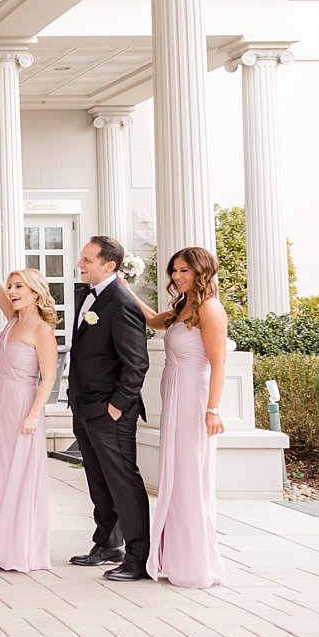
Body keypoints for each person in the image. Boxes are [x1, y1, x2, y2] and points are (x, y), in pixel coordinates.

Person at [134, 246, 228, 588]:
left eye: (184, 271)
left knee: (190, 477)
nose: (176, 276)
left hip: (194, 397)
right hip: (174, 394)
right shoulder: (181, 306)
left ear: (200, 271)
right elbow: (151, 320)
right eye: (174, 270)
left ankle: (195, 563)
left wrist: (213, 409)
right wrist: (123, 287)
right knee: (174, 476)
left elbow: (218, 364)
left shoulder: (209, 309)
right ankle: (174, 557)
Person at [66, 235, 152, 582]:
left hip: (109, 411)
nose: (80, 264)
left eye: (87, 259)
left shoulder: (121, 302)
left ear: (109, 265)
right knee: (98, 479)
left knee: (123, 481)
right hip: (84, 406)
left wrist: (116, 407)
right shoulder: (88, 296)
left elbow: (136, 364)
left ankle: (138, 557)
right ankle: (107, 543)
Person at [0, 222, 58, 572]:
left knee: (19, 474)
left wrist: (33, 414)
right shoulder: (11, 319)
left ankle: (17, 548)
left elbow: (49, 377)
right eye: (11, 287)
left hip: (24, 406)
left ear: (36, 292)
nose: (11, 291)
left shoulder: (42, 330)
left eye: (18, 287)